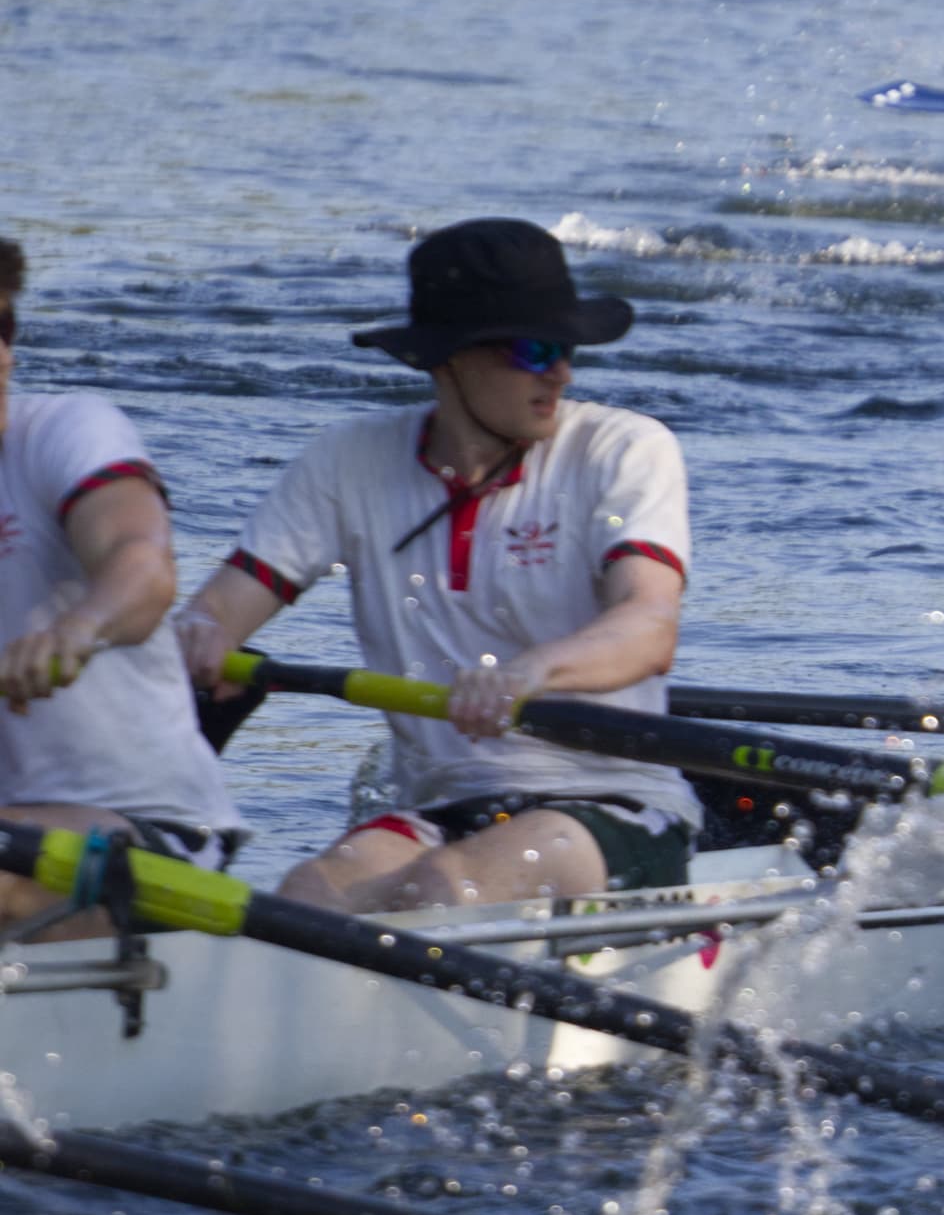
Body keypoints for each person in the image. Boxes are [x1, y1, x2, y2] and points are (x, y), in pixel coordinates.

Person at [176, 222, 699, 914]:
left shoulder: (622, 449)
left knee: (446, 889)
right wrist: (199, 633)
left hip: (614, 805)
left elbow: (647, 624)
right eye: (534, 350)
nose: (562, 373)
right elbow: (219, 610)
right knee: (306, 897)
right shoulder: (349, 461)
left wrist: (529, 674)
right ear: (449, 358)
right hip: (446, 807)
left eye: (567, 349)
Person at [0, 240, 241, 936]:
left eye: (6, 330)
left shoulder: (69, 431)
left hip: (150, 839)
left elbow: (142, 565)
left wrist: (77, 629)